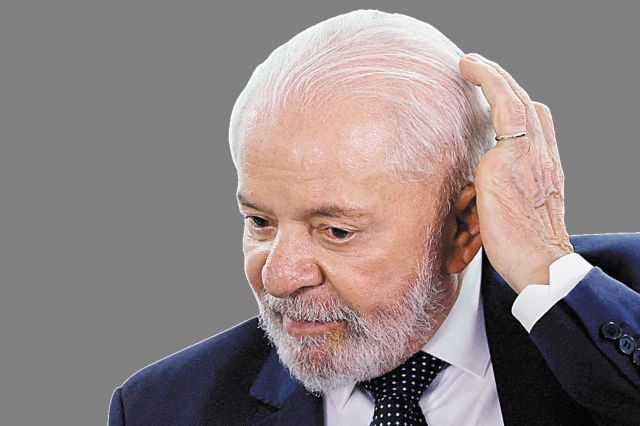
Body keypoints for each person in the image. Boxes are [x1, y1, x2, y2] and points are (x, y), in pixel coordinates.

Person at [108, 10, 640, 425]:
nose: (279, 277)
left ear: (463, 227)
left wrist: (543, 263)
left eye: (336, 231)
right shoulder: (164, 408)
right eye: (259, 222)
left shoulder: (608, 301)